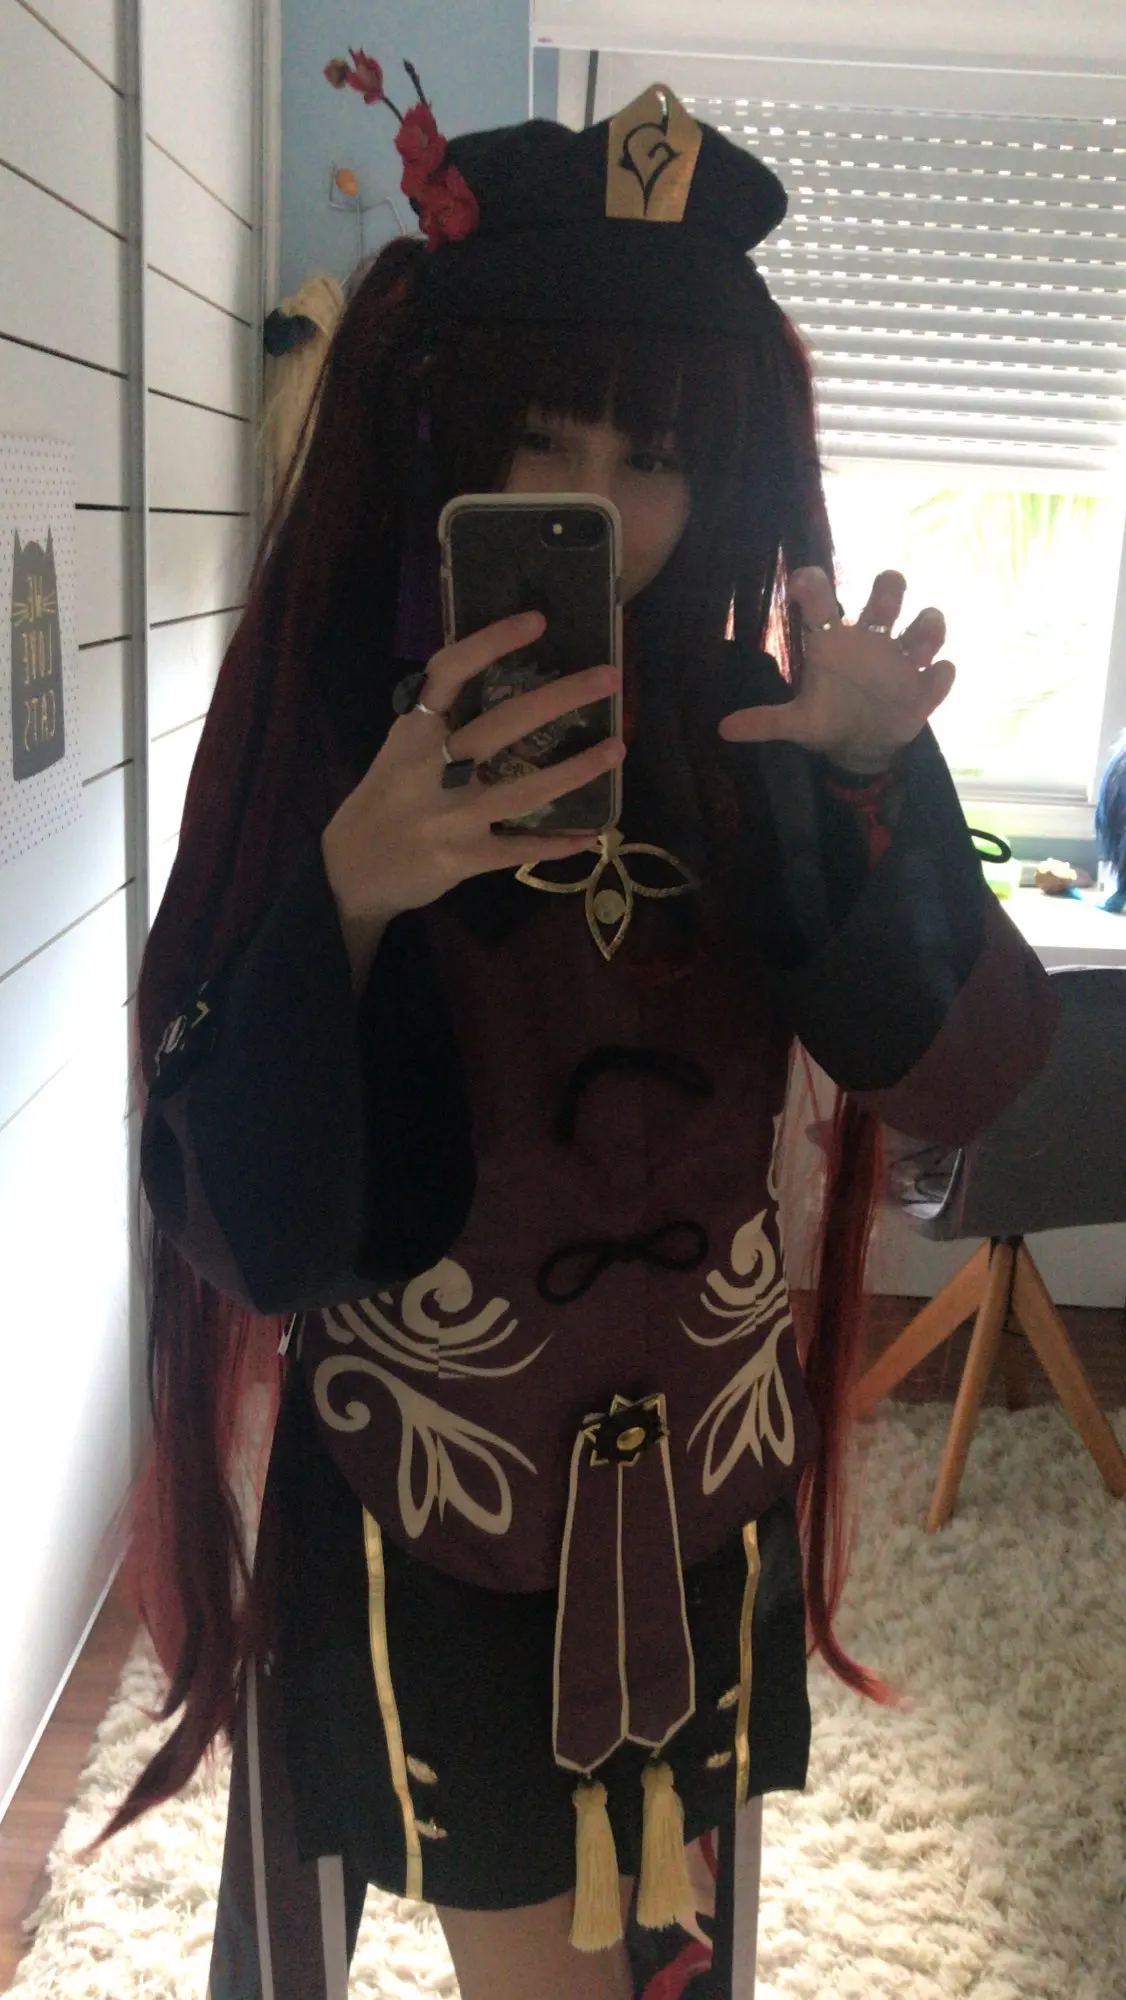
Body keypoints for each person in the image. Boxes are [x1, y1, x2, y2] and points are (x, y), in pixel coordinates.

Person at [93, 67, 1056, 2000]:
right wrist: (351, 889)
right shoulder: (334, 734)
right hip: (447, 1501)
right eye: (545, 439)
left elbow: (952, 1084)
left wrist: (870, 784)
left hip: (707, 1487)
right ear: (447, 434)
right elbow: (250, 1229)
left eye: (656, 453)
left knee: (678, 1956)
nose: (603, 510)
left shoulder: (760, 730)